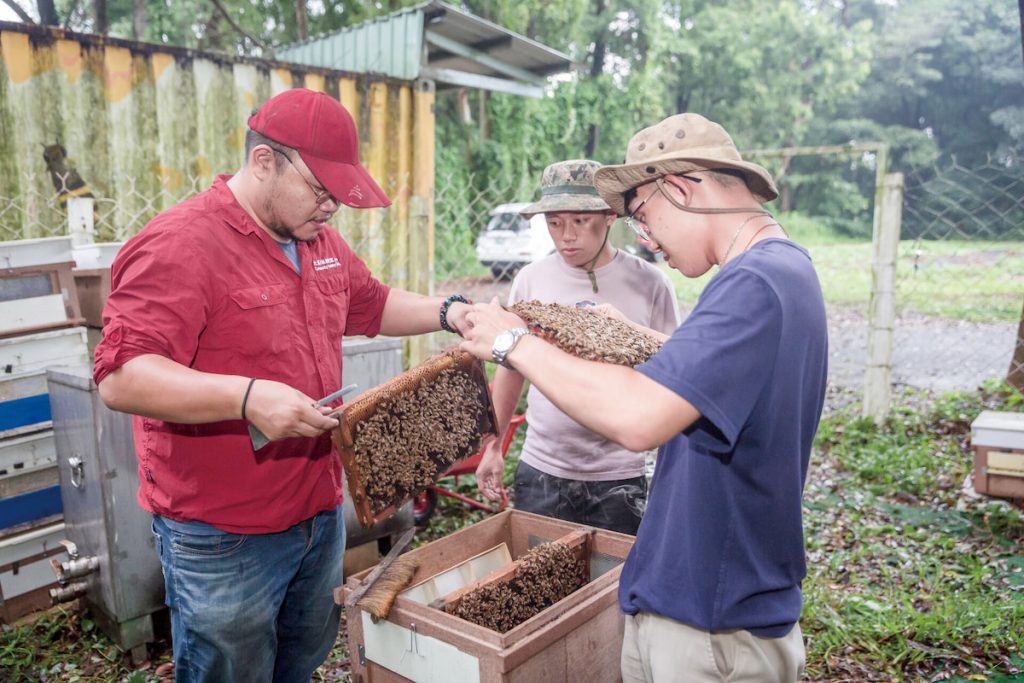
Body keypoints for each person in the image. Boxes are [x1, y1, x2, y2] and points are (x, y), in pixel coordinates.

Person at [93, 88, 473, 682]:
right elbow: (122, 376)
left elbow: (370, 304)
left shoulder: (317, 240)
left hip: (316, 512)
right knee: (232, 670)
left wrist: (451, 312)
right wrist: (247, 397)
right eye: (321, 191)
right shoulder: (180, 244)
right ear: (264, 161)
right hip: (223, 536)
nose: (331, 209)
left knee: (303, 656)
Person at [460, 113, 827, 681]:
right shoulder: (781, 270)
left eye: (643, 216)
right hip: (702, 594)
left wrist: (513, 341)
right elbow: (705, 376)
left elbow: (638, 417)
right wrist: (636, 340)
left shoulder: (752, 283)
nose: (648, 239)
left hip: (712, 621)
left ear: (680, 188)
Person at [474, 159, 679, 535]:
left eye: (580, 221)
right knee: (541, 584)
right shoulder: (531, 280)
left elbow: (674, 373)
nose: (566, 235)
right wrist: (493, 446)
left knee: (613, 586)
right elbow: (509, 366)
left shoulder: (650, 284)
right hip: (543, 470)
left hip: (619, 473)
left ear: (609, 216)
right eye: (554, 222)